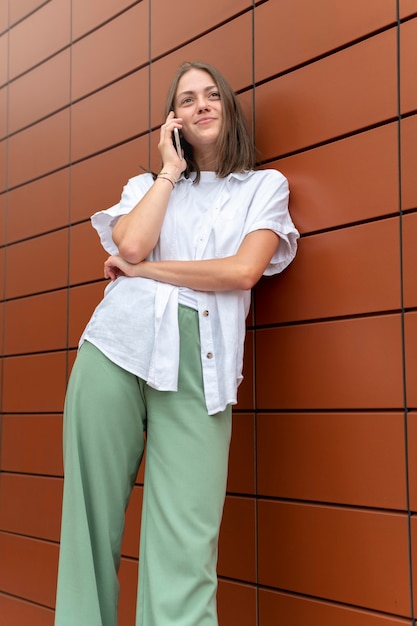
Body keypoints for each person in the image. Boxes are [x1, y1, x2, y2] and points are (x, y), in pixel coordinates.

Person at [54, 60, 299, 626]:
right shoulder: (145, 187)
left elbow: (242, 272)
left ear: (230, 109)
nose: (202, 105)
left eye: (213, 95)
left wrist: (147, 273)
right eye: (187, 100)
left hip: (202, 368)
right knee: (88, 524)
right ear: (173, 121)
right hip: (115, 349)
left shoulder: (265, 187)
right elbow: (134, 244)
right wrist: (168, 169)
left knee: (186, 543)